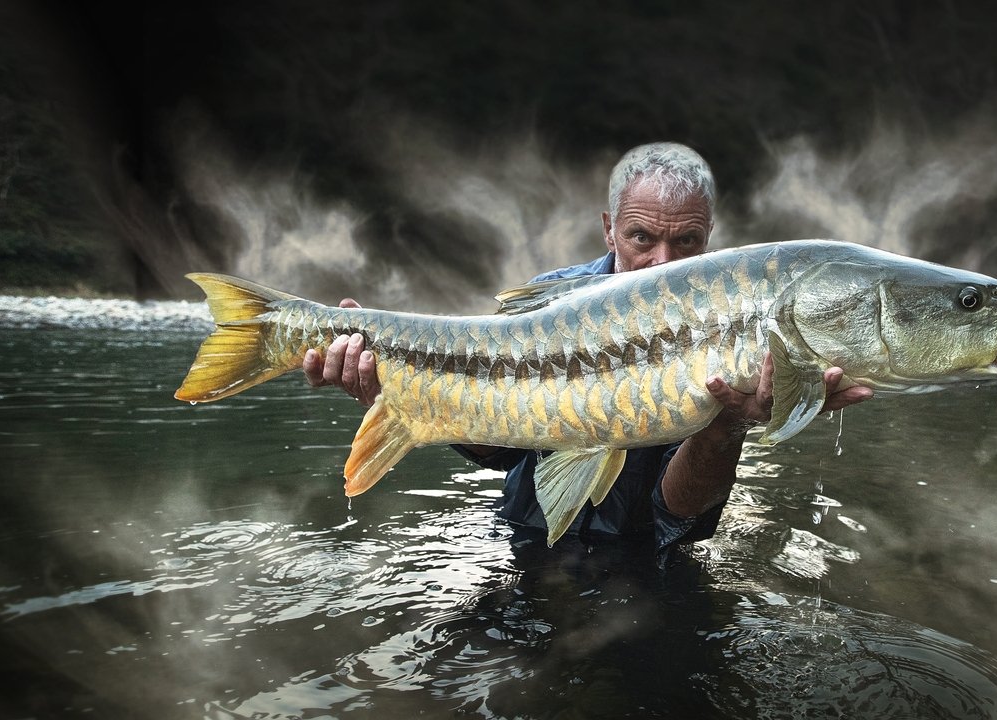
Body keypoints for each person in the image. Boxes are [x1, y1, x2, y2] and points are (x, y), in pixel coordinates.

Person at [303, 142, 873, 563]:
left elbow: (678, 516)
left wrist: (728, 424)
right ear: (609, 229)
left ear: (708, 238)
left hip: (651, 557)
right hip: (523, 540)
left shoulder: (733, 323)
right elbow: (499, 449)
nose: (663, 262)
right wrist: (398, 390)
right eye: (642, 237)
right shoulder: (551, 300)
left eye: (686, 242)